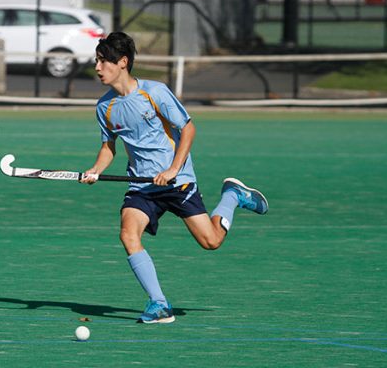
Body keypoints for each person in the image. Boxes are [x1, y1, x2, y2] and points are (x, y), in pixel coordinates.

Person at [80, 32, 269, 324]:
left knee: (211, 242)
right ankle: (159, 304)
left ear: (123, 62)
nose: (97, 67)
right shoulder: (104, 107)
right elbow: (109, 148)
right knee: (128, 235)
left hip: (177, 181)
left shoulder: (154, 93)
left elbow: (189, 129)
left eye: (103, 61)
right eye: (97, 61)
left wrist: (172, 170)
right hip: (141, 186)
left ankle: (232, 195)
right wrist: (96, 170)